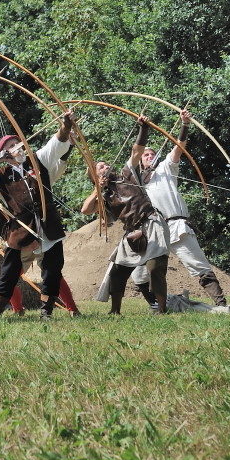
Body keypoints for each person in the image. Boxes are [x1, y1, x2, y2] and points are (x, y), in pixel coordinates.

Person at [128, 110, 228, 309]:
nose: (149, 156)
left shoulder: (166, 168)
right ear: (140, 161)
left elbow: (179, 148)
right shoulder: (136, 180)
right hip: (153, 231)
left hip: (176, 226)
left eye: (152, 154)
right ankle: (156, 305)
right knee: (138, 273)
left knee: (199, 265)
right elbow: (135, 151)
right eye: (146, 155)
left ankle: (221, 303)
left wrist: (184, 124)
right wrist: (142, 128)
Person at [0, 110, 78, 318]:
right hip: (20, 230)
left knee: (53, 270)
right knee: (9, 272)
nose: (17, 146)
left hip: (48, 226)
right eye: (11, 146)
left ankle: (47, 310)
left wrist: (66, 124)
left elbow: (58, 140)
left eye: (18, 142)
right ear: (5, 153)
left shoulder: (38, 160)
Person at [81, 118, 171, 315]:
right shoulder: (103, 197)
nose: (106, 167)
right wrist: (99, 189)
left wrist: (143, 127)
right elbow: (85, 210)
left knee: (156, 269)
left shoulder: (127, 174)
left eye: (106, 165)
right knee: (118, 272)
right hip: (132, 232)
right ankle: (115, 311)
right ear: (95, 178)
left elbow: (137, 150)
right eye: (101, 168)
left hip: (151, 223)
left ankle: (162, 309)